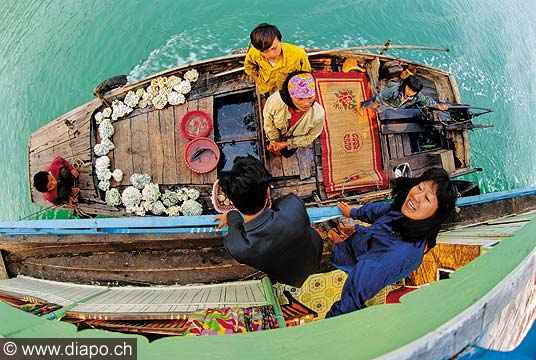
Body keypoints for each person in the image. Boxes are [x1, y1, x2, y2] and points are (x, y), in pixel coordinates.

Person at [325, 168, 457, 317]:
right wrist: (353, 212)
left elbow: (351, 301)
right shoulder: (406, 212)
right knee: (361, 233)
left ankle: (334, 235)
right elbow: (380, 211)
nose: (417, 196)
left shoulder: (393, 257)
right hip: (371, 239)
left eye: (427, 198)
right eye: (420, 187)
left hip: (358, 260)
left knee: (337, 250)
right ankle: (345, 232)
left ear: (436, 214)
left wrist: (323, 333)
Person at [212, 155, 323, 288]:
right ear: (268, 192)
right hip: (313, 254)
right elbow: (280, 204)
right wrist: (232, 215)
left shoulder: (238, 247)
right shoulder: (294, 207)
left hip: (288, 277)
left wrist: (231, 215)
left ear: (232, 202)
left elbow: (235, 225)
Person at [263, 71, 325, 158]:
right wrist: (274, 142)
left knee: (287, 153)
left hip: (294, 142)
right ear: (290, 96)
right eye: (300, 99)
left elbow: (311, 136)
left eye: (310, 97)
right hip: (275, 136)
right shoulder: (274, 101)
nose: (307, 104)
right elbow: (268, 123)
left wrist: (288, 144)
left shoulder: (318, 114)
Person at [244, 23, 311, 96]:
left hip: (287, 89)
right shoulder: (253, 53)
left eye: (274, 48)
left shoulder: (299, 55)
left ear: (280, 40)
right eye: (265, 52)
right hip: (266, 87)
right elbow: (249, 66)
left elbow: (305, 74)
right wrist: (257, 81)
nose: (271, 54)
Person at [361, 76, 448, 112]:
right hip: (385, 101)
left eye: (413, 91)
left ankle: (372, 109)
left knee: (379, 110)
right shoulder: (394, 89)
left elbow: (426, 100)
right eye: (409, 89)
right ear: (405, 84)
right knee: (371, 103)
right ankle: (361, 108)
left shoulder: (416, 96)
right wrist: (375, 104)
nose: (410, 92)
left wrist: (437, 106)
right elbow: (381, 97)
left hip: (393, 106)